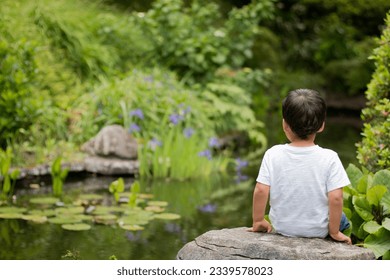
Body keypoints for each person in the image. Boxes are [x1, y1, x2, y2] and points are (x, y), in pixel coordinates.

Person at [249, 88, 352, 244]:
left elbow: (261, 190)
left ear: (285, 124)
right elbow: (336, 198)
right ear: (321, 125)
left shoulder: (272, 154)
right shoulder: (330, 157)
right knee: (343, 219)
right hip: (318, 230)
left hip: (283, 227)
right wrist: (334, 231)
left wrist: (258, 221)